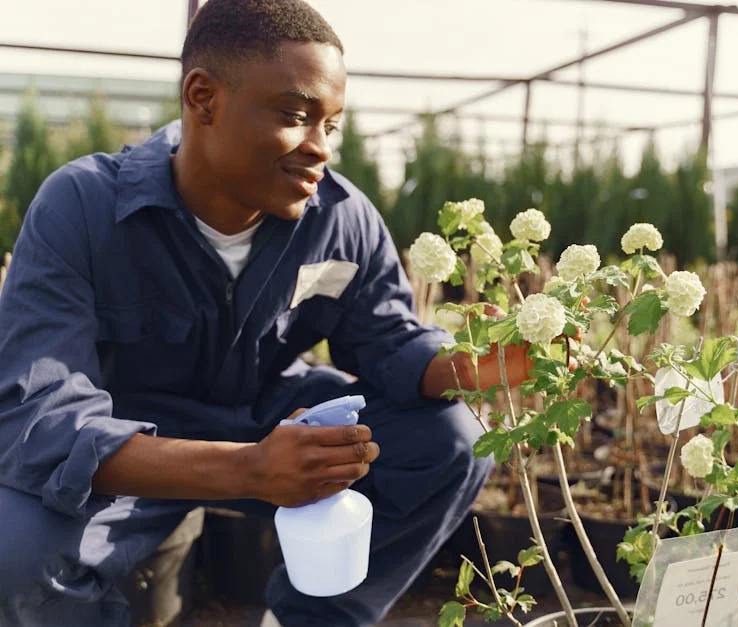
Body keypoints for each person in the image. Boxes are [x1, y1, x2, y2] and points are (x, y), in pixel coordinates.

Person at [0, 1, 531, 624]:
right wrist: (250, 468)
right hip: (133, 449)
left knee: (453, 439)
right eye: (295, 116)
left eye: (330, 125)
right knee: (16, 552)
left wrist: (480, 364)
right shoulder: (83, 206)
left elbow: (388, 341)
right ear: (203, 98)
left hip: (272, 417)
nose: (321, 149)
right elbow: (42, 418)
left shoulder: (340, 216)